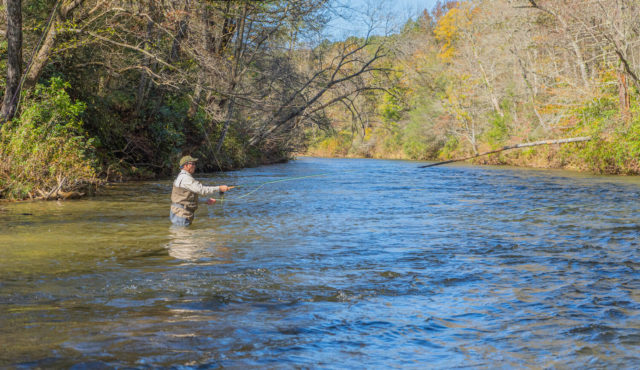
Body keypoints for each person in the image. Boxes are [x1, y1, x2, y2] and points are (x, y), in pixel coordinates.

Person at [170, 155, 229, 226]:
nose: (194, 166)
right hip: (181, 214)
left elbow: (186, 199)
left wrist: (205, 201)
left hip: (179, 213)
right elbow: (202, 190)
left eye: (195, 164)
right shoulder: (185, 178)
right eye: (193, 164)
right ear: (186, 165)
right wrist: (219, 188)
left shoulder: (182, 176)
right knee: (183, 235)